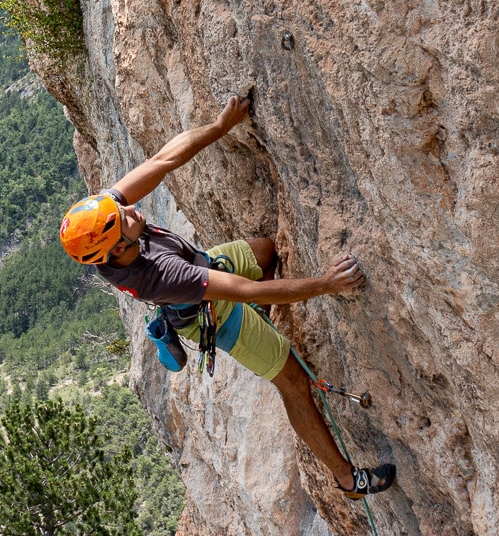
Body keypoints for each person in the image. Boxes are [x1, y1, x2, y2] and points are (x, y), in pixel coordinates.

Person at [59, 94, 396, 498]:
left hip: (206, 264)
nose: (130, 209)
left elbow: (163, 161)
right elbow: (247, 291)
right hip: (213, 313)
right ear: (116, 249)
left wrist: (221, 126)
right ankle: (347, 479)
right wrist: (326, 284)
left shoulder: (112, 221)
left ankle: (264, 318)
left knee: (265, 251)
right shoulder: (159, 275)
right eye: (124, 218)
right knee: (292, 381)